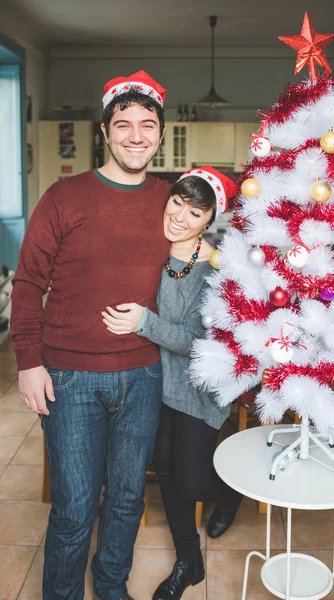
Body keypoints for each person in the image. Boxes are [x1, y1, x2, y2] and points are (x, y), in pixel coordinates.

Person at [11, 71, 171, 600]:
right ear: (105, 131)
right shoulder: (64, 196)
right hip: (69, 378)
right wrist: (28, 362)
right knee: (76, 508)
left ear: (160, 134)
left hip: (144, 376)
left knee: (127, 500)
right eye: (123, 124)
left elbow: (192, 277)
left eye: (147, 125)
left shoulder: (172, 203)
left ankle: (110, 589)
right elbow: (29, 282)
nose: (135, 135)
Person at [102, 166, 243, 600]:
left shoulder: (216, 270)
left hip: (197, 390)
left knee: (191, 480)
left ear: (210, 219)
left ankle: (235, 492)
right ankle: (189, 561)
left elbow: (198, 343)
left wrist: (145, 323)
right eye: (178, 202)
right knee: (164, 471)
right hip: (151, 382)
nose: (180, 216)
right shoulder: (152, 247)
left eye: (195, 212)